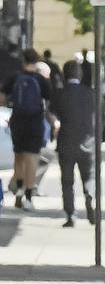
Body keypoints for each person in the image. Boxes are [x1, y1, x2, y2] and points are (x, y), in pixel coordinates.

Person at [1, 48, 50, 211]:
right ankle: (29, 195)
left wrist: (10, 104)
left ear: (23, 60)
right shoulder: (41, 79)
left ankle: (19, 191)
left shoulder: (15, 77)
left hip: (18, 120)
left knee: (19, 157)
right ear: (36, 61)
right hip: (35, 121)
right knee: (32, 158)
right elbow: (49, 98)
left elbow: (1, 94)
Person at [49, 60, 96, 227]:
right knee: (89, 176)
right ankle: (90, 198)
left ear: (64, 74)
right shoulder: (90, 93)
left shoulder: (60, 94)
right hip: (88, 142)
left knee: (67, 180)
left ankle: (70, 214)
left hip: (66, 142)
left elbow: (52, 113)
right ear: (80, 74)